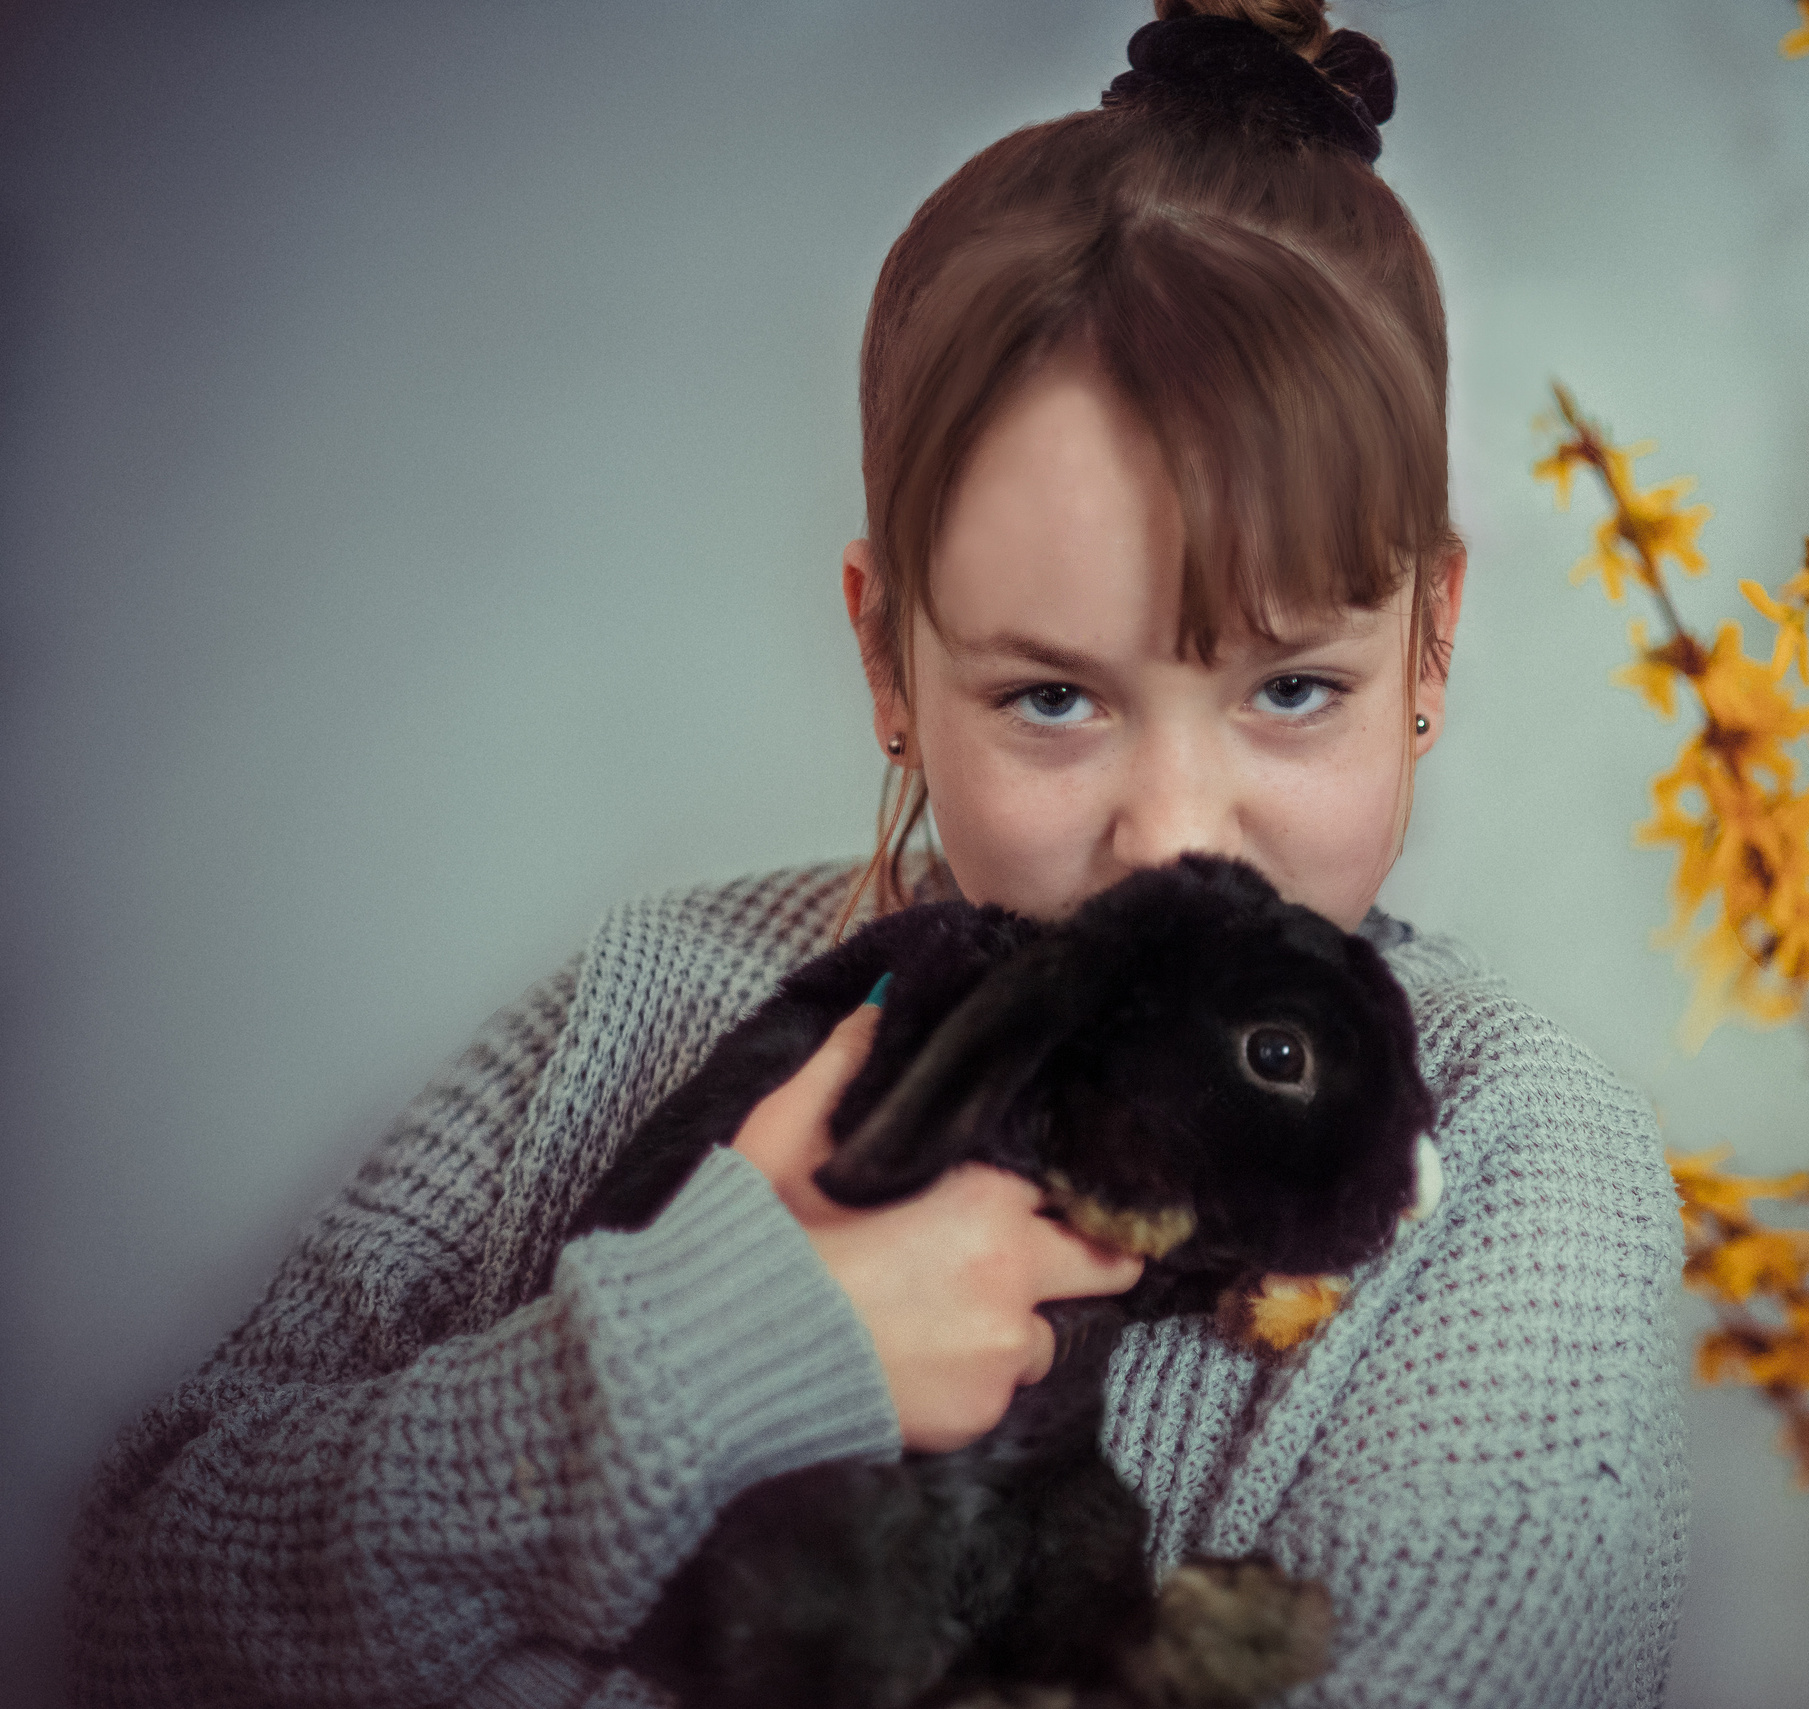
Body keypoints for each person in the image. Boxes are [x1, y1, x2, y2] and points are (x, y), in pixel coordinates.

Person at [65, 4, 1688, 1704]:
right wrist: (706, 1359)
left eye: (1292, 686)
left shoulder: (1504, 1164)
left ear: (1428, 645)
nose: (1177, 832)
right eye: (1054, 696)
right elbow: (141, 1602)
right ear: (886, 659)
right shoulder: (647, 1006)